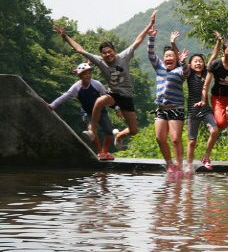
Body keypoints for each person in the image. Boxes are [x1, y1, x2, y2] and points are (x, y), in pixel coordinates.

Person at [53, 11, 156, 150]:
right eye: (104, 53)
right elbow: (80, 50)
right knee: (100, 101)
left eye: (109, 51)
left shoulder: (124, 56)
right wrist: (65, 36)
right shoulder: (100, 61)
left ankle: (119, 135)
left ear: (114, 51)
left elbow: (138, 41)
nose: (107, 55)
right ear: (102, 55)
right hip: (113, 94)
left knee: (134, 131)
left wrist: (149, 25)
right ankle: (92, 131)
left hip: (126, 96)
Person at [46, 62, 117, 160]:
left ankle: (105, 151)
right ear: (80, 75)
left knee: (109, 132)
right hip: (87, 112)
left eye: (89, 73)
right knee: (92, 130)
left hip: (101, 110)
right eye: (85, 73)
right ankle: (100, 152)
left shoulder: (96, 84)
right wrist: (52, 106)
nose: (88, 75)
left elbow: (108, 97)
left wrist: (116, 108)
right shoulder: (76, 87)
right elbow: (64, 97)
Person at [148, 26, 190, 173]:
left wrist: (183, 61)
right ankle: (170, 164)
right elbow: (151, 54)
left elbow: (187, 71)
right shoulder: (159, 68)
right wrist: (151, 38)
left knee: (175, 139)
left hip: (176, 108)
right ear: (163, 58)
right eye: (166, 56)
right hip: (161, 109)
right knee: (160, 139)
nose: (168, 58)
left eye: (171, 56)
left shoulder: (180, 71)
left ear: (176, 59)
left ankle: (180, 166)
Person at [185, 30, 222, 173]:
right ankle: (188, 165)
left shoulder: (207, 72)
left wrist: (218, 41)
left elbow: (213, 56)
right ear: (191, 64)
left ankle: (206, 157)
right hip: (193, 110)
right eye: (195, 61)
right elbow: (181, 63)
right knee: (192, 141)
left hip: (205, 109)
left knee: (214, 131)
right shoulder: (189, 73)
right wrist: (173, 44)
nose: (198, 63)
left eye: (200, 61)